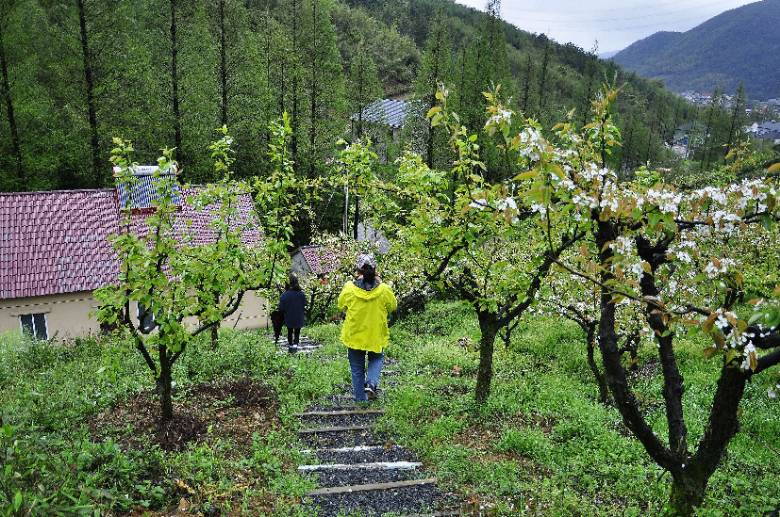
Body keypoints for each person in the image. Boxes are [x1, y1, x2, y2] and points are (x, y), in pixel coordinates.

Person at [338, 254, 398, 401]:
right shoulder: (384, 289)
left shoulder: (349, 288)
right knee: (376, 359)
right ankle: (371, 383)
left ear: (357, 271)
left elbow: (341, 305)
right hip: (376, 334)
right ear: (375, 269)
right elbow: (393, 306)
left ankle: (360, 400)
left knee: (357, 368)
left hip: (354, 335)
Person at [279, 274, 307, 353]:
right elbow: (305, 304)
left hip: (289, 317)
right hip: (299, 317)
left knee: (289, 331)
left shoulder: (284, 295)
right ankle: (295, 344)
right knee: (297, 331)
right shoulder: (301, 294)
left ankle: (291, 345)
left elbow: (281, 308)